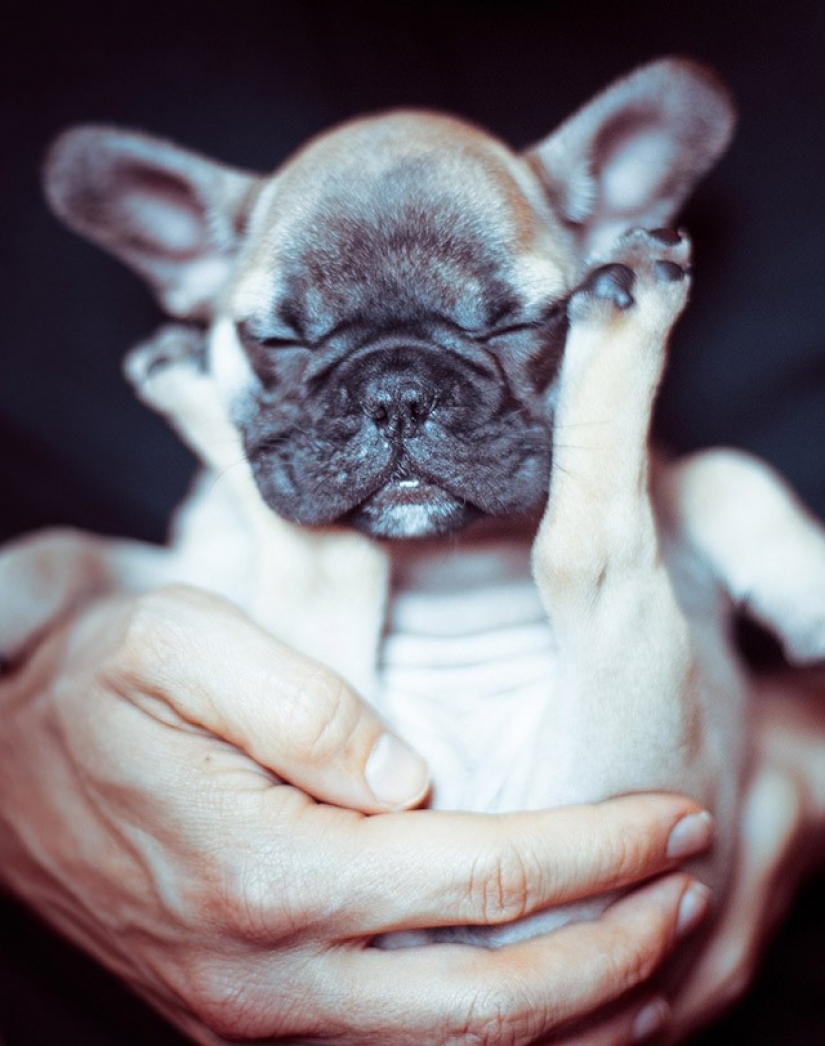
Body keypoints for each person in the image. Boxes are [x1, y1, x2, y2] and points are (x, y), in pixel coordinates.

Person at [3, 2, 825, 1043]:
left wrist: (807, 753)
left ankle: (605, 461)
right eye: (289, 344)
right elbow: (145, 600)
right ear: (192, 278)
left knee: (688, 499)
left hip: (639, 879)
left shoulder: (702, 489)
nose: (397, 412)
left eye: (516, 321)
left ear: (610, 232)